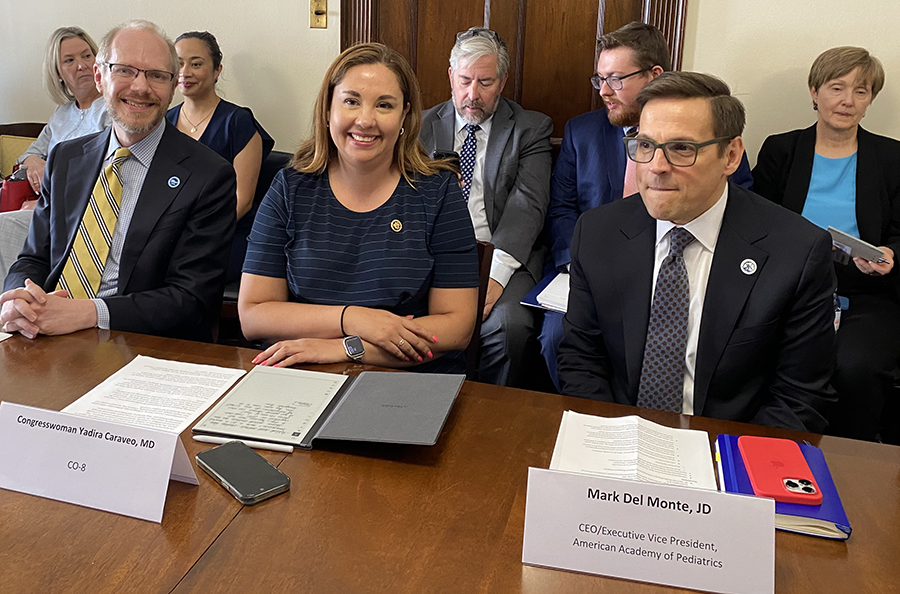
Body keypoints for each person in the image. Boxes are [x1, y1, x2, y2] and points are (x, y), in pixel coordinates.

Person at [558, 72, 837, 432]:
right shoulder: (597, 233)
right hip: (620, 442)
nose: (656, 167)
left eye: (682, 148)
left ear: (731, 155)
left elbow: (799, 397)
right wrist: (610, 441)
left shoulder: (797, 251)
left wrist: (726, 466)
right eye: (645, 145)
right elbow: (581, 359)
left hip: (730, 450)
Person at [539, 22, 753, 387]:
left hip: (684, 263)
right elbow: (561, 209)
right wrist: (578, 264)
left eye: (617, 79)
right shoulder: (582, 132)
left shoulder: (714, 137)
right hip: (591, 270)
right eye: (600, 79)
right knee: (557, 337)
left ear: (655, 75)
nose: (605, 91)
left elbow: (740, 210)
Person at [241, 43, 479, 371]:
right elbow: (253, 315)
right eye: (351, 101)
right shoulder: (289, 188)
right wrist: (355, 319)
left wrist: (346, 347)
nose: (365, 120)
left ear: (405, 117)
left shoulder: (438, 193)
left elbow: (455, 330)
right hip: (301, 374)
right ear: (327, 110)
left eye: (384, 105)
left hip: (406, 378)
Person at [0, 20, 236, 342]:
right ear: (100, 77)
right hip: (43, 334)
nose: (140, 87)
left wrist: (86, 313)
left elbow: (191, 300)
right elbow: (33, 259)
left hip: (133, 343)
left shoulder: (208, 175)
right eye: (124, 70)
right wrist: (18, 299)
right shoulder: (66, 159)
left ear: (171, 87)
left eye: (156, 75)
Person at [753, 47, 900, 440]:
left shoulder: (892, 157)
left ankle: (854, 460)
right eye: (837, 88)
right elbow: (755, 223)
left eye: (861, 91)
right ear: (815, 92)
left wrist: (891, 255)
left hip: (865, 292)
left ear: (870, 100)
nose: (847, 101)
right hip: (787, 288)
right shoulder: (780, 150)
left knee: (855, 366)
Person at [419, 27, 553, 386]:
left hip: (501, 251)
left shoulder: (530, 128)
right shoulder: (419, 126)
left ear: (504, 80)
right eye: (464, 81)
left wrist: (494, 275)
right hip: (433, 251)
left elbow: (528, 206)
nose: (472, 95)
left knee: (508, 327)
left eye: (485, 82)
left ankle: (491, 414)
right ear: (451, 76)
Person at [0, 27, 109, 283]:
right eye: (69, 60)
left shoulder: (110, 109)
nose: (81, 65)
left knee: (3, 227)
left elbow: (104, 171)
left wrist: (46, 204)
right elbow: (29, 154)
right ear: (59, 73)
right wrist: (35, 161)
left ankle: (14, 309)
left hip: (82, 211)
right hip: (47, 209)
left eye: (87, 55)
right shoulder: (62, 113)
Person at [167, 30, 274, 280]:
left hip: (226, 235)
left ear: (217, 70)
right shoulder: (164, 122)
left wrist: (197, 235)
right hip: (174, 235)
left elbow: (243, 200)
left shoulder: (238, 121)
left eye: (196, 64)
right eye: (179, 63)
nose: (185, 72)